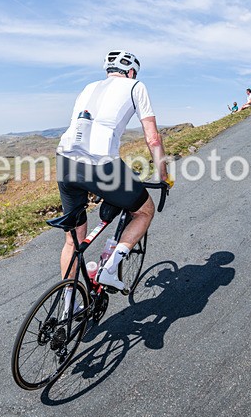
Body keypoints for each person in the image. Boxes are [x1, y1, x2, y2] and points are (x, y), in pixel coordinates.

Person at [56, 50, 171, 292]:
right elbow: (152, 138)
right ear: (131, 72)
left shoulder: (88, 87)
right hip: (101, 163)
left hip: (64, 161)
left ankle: (69, 303)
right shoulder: (135, 85)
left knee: (72, 240)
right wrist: (163, 172)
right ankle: (109, 269)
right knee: (144, 211)